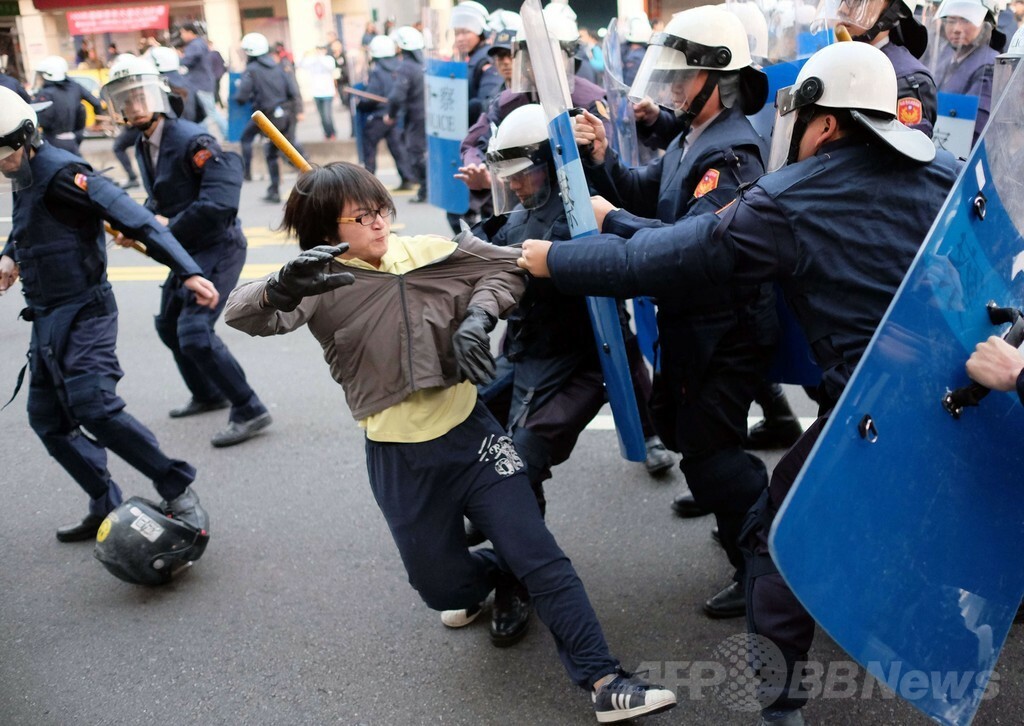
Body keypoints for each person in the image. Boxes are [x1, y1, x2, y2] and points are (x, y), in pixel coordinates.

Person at [517, 40, 960, 726]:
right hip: (967, 396)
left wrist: (559, 261)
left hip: (872, 413)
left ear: (828, 122)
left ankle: (781, 710)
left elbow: (670, 259)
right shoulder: (948, 174)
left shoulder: (789, 198)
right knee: (933, 544)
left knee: (773, 540)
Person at [223, 160, 677, 725]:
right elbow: (239, 314)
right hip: (399, 458)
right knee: (441, 588)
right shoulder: (318, 281)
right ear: (327, 230)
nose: (379, 224)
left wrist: (479, 317)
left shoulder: (430, 251)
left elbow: (510, 267)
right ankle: (496, 573)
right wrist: (278, 285)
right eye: (360, 217)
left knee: (540, 556)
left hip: (474, 438)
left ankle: (605, 678)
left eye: (381, 209)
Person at [572, 4, 778, 618]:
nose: (671, 87)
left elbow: (690, 243)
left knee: (713, 449)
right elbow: (651, 194)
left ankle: (762, 568)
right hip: (694, 322)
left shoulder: (733, 153)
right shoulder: (695, 136)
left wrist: (614, 220)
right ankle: (731, 518)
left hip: (728, 328)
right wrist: (605, 159)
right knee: (682, 425)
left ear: (718, 79)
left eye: (682, 76)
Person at [0, 86, 214, 542]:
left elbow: (133, 217)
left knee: (93, 407)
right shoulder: (23, 173)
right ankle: (104, 501)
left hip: (86, 312)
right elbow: (25, 220)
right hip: (45, 317)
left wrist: (188, 270)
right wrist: (8, 255)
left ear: (25, 138)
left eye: (2, 153)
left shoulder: (63, 173)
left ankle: (176, 487)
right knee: (48, 420)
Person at [102, 56, 272, 448]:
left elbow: (219, 205)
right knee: (169, 324)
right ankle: (208, 393)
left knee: (194, 333)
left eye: (139, 95)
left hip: (219, 247)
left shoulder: (194, 140)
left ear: (158, 94)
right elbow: (160, 198)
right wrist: (137, 226)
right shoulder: (144, 143)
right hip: (186, 250)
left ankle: (249, 408)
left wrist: (161, 229)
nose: (134, 105)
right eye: (124, 99)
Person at [236, 32, 302, 203]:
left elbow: (241, 97)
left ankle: (249, 173)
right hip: (286, 114)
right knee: (279, 150)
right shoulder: (279, 66)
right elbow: (293, 91)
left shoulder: (252, 70)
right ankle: (275, 189)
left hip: (266, 117)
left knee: (255, 143)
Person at [932, 0, 1001, 143]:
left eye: (966, 20)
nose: (956, 28)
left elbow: (974, 127)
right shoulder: (943, 57)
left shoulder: (989, 65)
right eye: (951, 20)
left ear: (985, 23)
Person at [357, 35, 410, 186]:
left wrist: (361, 104)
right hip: (394, 115)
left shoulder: (378, 71)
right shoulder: (399, 67)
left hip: (379, 117)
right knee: (397, 149)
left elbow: (371, 95)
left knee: (370, 148)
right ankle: (407, 177)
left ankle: (368, 181)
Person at [31, 56, 103, 155]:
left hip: (52, 141)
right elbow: (96, 103)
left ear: (49, 75)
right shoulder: (75, 87)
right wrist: (98, 123)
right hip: (74, 138)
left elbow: (39, 118)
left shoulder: (46, 94)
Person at [388, 27, 427, 198]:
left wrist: (390, 115)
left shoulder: (406, 67)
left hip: (414, 116)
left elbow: (396, 96)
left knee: (415, 153)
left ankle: (425, 189)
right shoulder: (423, 65)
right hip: (426, 115)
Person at [177, 21, 228, 137]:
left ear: (190, 32)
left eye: (182, 33)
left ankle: (224, 134)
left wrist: (177, 59)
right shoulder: (200, 43)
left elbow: (188, 60)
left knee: (209, 113)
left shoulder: (195, 45)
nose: (182, 36)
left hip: (200, 84)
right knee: (209, 113)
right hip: (202, 83)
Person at [299, 45, 338, 139]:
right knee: (322, 116)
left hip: (328, 92)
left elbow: (329, 67)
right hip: (317, 93)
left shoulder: (328, 59)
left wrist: (319, 57)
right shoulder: (313, 60)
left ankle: (332, 132)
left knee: (327, 115)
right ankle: (326, 133)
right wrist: (306, 54)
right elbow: (301, 64)